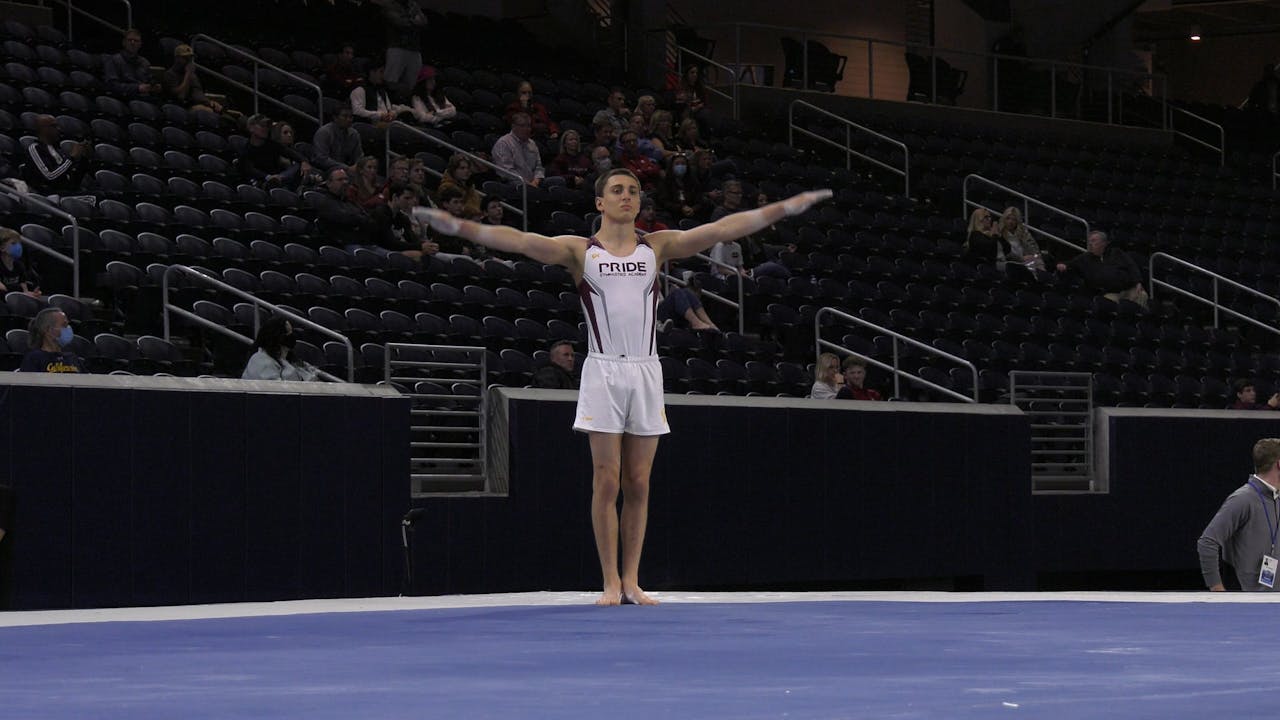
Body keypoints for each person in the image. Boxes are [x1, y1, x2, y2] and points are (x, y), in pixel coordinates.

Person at [417, 169, 832, 605]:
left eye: (634, 190)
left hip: (645, 370)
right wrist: (457, 226)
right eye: (617, 190)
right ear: (599, 202)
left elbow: (723, 228)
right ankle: (610, 582)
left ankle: (632, 579)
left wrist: (787, 206)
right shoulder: (581, 251)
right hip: (603, 370)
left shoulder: (657, 245)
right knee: (606, 480)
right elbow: (518, 241)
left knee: (638, 481)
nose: (627, 196)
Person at [1198, 437, 1280, 591]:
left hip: (1273, 603)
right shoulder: (1243, 499)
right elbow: (1207, 542)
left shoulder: (1276, 498)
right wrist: (1218, 592)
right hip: (1246, 605)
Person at [1055, 230, 1149, 308]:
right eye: (1090, 241)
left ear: (1103, 243)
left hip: (1128, 288)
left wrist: (1138, 282)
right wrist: (1063, 265)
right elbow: (1069, 263)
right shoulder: (1085, 258)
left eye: (1094, 241)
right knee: (1108, 302)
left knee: (1142, 295)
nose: (1090, 244)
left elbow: (1131, 266)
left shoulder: (1116, 252)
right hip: (1109, 292)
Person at [22, 115, 91, 198]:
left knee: (107, 194)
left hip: (67, 193)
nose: (59, 129)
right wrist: (72, 158)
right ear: (43, 129)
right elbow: (50, 176)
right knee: (99, 197)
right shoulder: (35, 148)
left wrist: (85, 159)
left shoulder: (59, 151)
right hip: (50, 196)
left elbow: (73, 182)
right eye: (54, 126)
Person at [237, 114, 311, 189]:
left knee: (298, 165)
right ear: (251, 128)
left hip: (278, 179)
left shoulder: (272, 145)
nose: (266, 129)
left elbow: (291, 153)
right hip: (259, 180)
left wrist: (303, 161)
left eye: (267, 126)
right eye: (262, 126)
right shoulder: (246, 149)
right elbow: (249, 169)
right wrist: (267, 177)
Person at [242, 315, 318, 381]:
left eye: (292, 333)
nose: (292, 337)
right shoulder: (261, 361)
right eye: (288, 334)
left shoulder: (288, 358)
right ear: (278, 337)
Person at [314, 166, 376, 246]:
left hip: (363, 243)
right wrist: (359, 219)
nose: (345, 182)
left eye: (346, 179)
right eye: (340, 180)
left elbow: (370, 221)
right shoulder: (325, 201)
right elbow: (343, 218)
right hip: (342, 245)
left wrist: (358, 220)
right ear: (329, 183)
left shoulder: (350, 202)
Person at [378, 0, 428, 95]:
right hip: (397, 47)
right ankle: (388, 103)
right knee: (390, 81)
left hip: (414, 49)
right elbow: (400, 23)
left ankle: (405, 104)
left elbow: (424, 22)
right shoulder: (390, 5)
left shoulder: (414, 5)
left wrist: (411, 20)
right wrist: (415, 20)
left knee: (411, 85)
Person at [163, 44, 226, 115]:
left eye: (190, 58)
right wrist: (188, 75)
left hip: (194, 105)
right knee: (206, 111)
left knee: (235, 115)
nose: (188, 61)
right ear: (177, 58)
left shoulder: (193, 75)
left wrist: (210, 103)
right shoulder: (170, 74)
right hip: (179, 107)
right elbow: (180, 96)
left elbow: (198, 94)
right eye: (185, 58)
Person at [19, 308, 81, 373]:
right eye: (64, 325)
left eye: (68, 325)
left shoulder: (72, 357)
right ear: (48, 330)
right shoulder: (35, 358)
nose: (68, 328)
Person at [102, 28, 159, 99]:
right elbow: (111, 86)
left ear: (140, 44)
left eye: (136, 41)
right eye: (129, 40)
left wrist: (153, 86)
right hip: (124, 98)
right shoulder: (113, 60)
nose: (132, 43)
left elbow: (148, 82)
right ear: (124, 42)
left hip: (144, 98)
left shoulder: (145, 62)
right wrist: (137, 88)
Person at [491, 112, 544, 187]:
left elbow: (538, 166)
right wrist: (527, 184)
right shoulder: (504, 143)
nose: (526, 129)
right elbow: (506, 171)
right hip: (514, 184)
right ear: (513, 126)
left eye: (528, 126)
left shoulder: (532, 143)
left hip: (533, 183)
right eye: (522, 126)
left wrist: (536, 180)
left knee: (556, 181)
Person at [311, 105, 364, 173]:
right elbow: (321, 159)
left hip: (347, 169)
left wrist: (358, 166)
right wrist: (346, 168)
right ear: (335, 118)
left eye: (351, 117)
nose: (349, 119)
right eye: (345, 116)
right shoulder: (324, 132)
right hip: (325, 169)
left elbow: (359, 156)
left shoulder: (354, 134)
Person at [998, 206, 1045, 272]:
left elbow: (1035, 250)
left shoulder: (1024, 233)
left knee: (1038, 261)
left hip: (1026, 261)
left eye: (1014, 219)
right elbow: (1003, 254)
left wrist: (1034, 256)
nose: (1010, 222)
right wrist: (1021, 258)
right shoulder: (999, 233)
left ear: (1017, 221)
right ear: (1004, 219)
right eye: (1008, 219)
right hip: (1010, 262)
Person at [436, 153, 482, 219]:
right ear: (453, 170)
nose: (466, 171)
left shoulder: (470, 187)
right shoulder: (446, 187)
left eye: (468, 168)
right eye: (462, 168)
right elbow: (464, 209)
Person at [0, 227, 39, 296]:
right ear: (2, 248)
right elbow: (2, 289)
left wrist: (31, 294)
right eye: (13, 243)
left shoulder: (19, 265)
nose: (18, 246)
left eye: (19, 243)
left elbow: (24, 290)